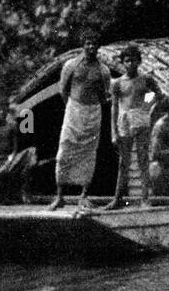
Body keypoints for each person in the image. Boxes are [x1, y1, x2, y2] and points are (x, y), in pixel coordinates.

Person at [50, 35, 109, 210]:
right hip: (74, 109)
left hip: (93, 112)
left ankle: (83, 195)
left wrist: (94, 105)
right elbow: (63, 89)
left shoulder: (103, 70)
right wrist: (73, 106)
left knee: (89, 153)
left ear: (98, 47)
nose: (91, 47)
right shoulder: (70, 65)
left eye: (94, 44)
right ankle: (59, 195)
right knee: (65, 150)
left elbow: (105, 95)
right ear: (83, 45)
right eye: (88, 43)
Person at [107, 44, 161, 209]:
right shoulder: (117, 83)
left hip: (141, 119)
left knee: (143, 160)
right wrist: (113, 132)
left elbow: (158, 94)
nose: (130, 64)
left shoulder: (146, 79)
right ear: (123, 62)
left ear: (139, 61)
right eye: (127, 60)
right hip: (124, 120)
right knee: (124, 162)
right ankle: (117, 199)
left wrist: (146, 107)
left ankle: (145, 198)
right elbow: (114, 107)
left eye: (134, 60)